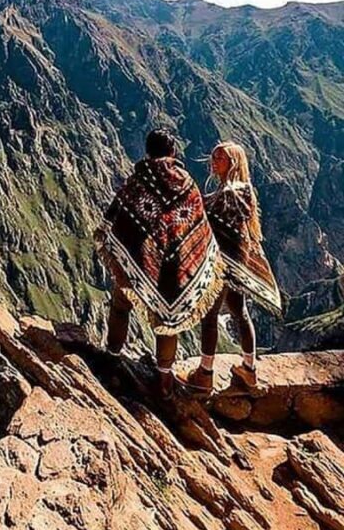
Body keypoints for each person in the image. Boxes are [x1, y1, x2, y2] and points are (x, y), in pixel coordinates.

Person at [94, 129, 224, 399]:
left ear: (148, 152)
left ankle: (112, 360)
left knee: (120, 307)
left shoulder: (138, 180)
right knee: (168, 321)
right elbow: (198, 226)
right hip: (174, 268)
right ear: (173, 152)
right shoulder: (187, 183)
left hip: (137, 262)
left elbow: (117, 217)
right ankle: (165, 380)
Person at [184, 141, 282, 394]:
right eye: (213, 157)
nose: (213, 161)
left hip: (224, 266)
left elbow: (209, 216)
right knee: (240, 312)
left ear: (234, 162)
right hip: (237, 265)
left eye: (220, 158)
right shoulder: (241, 189)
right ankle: (249, 369)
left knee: (210, 316)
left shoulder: (230, 192)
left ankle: (204, 374)